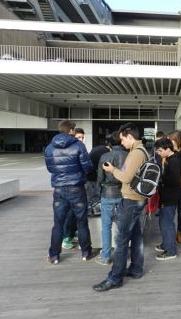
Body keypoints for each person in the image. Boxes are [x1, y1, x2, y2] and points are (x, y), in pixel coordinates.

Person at [92, 123, 148, 292]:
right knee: (136, 236)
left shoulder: (136, 154)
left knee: (121, 240)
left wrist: (113, 170)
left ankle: (115, 278)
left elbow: (126, 177)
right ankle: (136, 269)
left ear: (130, 136)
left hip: (130, 200)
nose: (122, 143)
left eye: (123, 139)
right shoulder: (143, 151)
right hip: (138, 199)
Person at [44, 120, 94, 264]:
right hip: (76, 189)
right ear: (71, 130)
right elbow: (88, 167)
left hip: (58, 189)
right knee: (82, 221)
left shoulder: (49, 148)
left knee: (58, 223)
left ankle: (54, 255)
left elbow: (50, 168)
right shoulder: (79, 145)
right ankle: (86, 252)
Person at [95, 131, 128, 265]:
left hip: (107, 194)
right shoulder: (128, 156)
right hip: (123, 194)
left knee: (106, 226)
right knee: (122, 227)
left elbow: (100, 178)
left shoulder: (104, 156)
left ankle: (105, 256)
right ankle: (121, 255)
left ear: (109, 144)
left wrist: (97, 193)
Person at [153, 138, 180, 260]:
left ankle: (170, 251)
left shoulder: (174, 161)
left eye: (160, 151)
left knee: (167, 224)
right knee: (163, 222)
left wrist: (160, 178)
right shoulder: (169, 159)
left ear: (168, 149)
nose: (158, 153)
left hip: (170, 198)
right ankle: (166, 244)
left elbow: (174, 180)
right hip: (166, 197)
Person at [61, 128, 87, 249]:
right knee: (69, 212)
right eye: (78, 137)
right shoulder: (74, 149)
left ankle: (72, 233)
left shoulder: (79, 148)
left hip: (75, 185)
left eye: (82, 137)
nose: (81, 139)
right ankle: (66, 237)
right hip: (71, 186)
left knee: (76, 212)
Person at [167, 130, 181, 244]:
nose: (168, 142)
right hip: (172, 185)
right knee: (170, 210)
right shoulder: (168, 151)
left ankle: (179, 232)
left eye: (170, 140)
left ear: (176, 140)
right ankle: (172, 232)